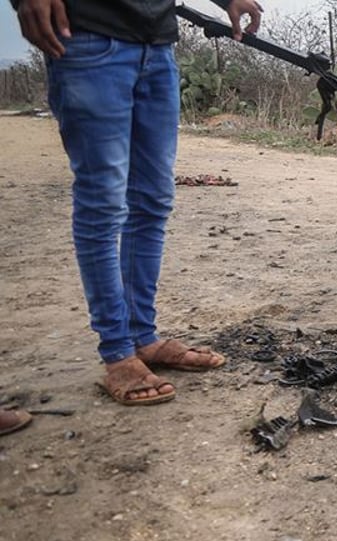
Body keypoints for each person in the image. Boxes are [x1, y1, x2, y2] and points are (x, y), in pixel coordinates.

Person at [12, 0, 262, 405]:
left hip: (156, 44)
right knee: (104, 203)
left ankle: (142, 337)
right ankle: (117, 352)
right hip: (85, 37)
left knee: (152, 201)